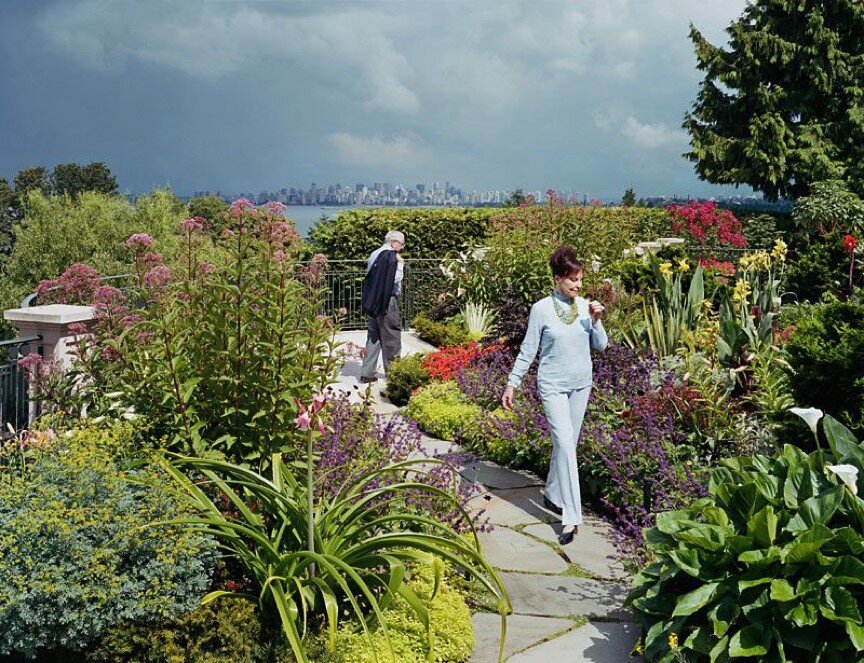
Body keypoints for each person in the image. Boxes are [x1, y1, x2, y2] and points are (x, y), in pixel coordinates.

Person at [502, 246, 607, 545]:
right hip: (552, 385)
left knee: (567, 444)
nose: (578, 285)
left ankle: (552, 492)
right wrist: (512, 383)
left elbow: (601, 345)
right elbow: (528, 350)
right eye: (573, 280)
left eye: (580, 280)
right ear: (558, 278)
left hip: (581, 384)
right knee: (564, 443)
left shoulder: (586, 306)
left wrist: (597, 321)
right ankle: (571, 518)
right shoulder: (541, 309)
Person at [359, 230, 405, 383]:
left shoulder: (374, 253)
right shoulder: (392, 257)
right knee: (391, 336)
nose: (403, 247)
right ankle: (394, 374)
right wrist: (401, 264)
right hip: (387, 301)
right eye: (401, 243)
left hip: (373, 301)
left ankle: (367, 373)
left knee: (374, 336)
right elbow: (395, 279)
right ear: (393, 242)